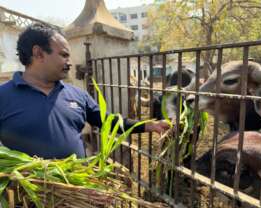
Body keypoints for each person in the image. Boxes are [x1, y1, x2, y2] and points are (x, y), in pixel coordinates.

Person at [0, 23, 169, 159]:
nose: (69, 62)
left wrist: (149, 125)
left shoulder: (77, 95)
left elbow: (108, 121)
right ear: (38, 53)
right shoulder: (3, 96)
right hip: (28, 198)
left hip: (79, 195)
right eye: (64, 55)